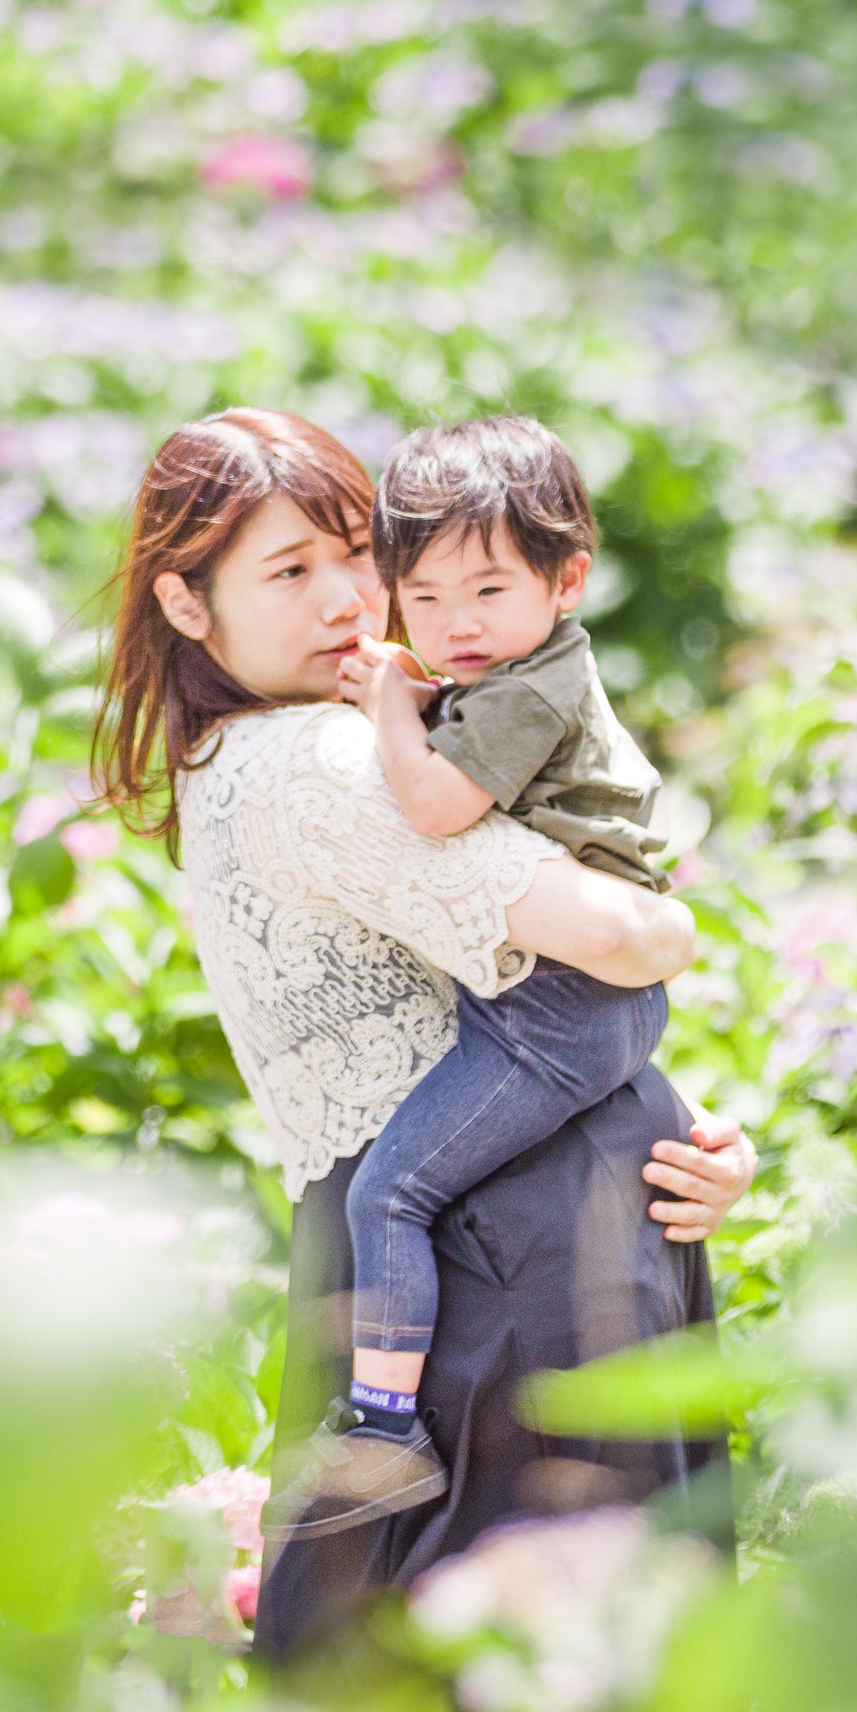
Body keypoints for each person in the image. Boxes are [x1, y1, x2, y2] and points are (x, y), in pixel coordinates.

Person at [86, 406, 750, 1657]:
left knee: (426, 1701)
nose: (347, 598)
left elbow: (495, 999)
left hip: (477, 1252)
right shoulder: (328, 761)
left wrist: (693, 1129)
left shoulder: (256, 753)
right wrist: (671, 928)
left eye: (355, 553)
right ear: (186, 606)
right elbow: (621, 942)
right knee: (551, 1688)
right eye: (290, 570)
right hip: (512, 1276)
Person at [293, 414, 690, 1532]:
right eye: (424, 599)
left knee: (395, 1191)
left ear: (568, 580)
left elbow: (432, 804)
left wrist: (384, 706)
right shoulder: (523, 664)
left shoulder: (529, 686)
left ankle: (384, 1429)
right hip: (584, 997)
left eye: (487, 593)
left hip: (553, 1010)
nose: (456, 627)